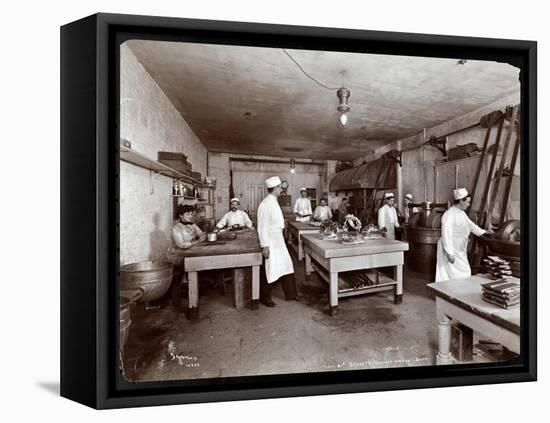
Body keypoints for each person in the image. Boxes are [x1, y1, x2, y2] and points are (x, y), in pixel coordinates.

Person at [257, 176, 302, 307]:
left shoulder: (274, 201)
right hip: (270, 240)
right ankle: (264, 297)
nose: (281, 190)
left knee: (287, 264)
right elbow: (262, 227)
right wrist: (265, 246)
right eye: (280, 188)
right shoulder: (265, 204)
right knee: (271, 268)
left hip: (278, 239)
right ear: (275, 188)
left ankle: (291, 294)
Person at [435, 188, 488, 282]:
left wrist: (484, 232)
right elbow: (445, 234)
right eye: (467, 202)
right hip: (450, 248)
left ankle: (457, 293)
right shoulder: (449, 214)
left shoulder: (462, 213)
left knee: (463, 271)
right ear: (460, 201)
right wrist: (449, 253)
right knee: (449, 273)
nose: (469, 204)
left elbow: (472, 226)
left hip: (459, 249)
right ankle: (447, 293)